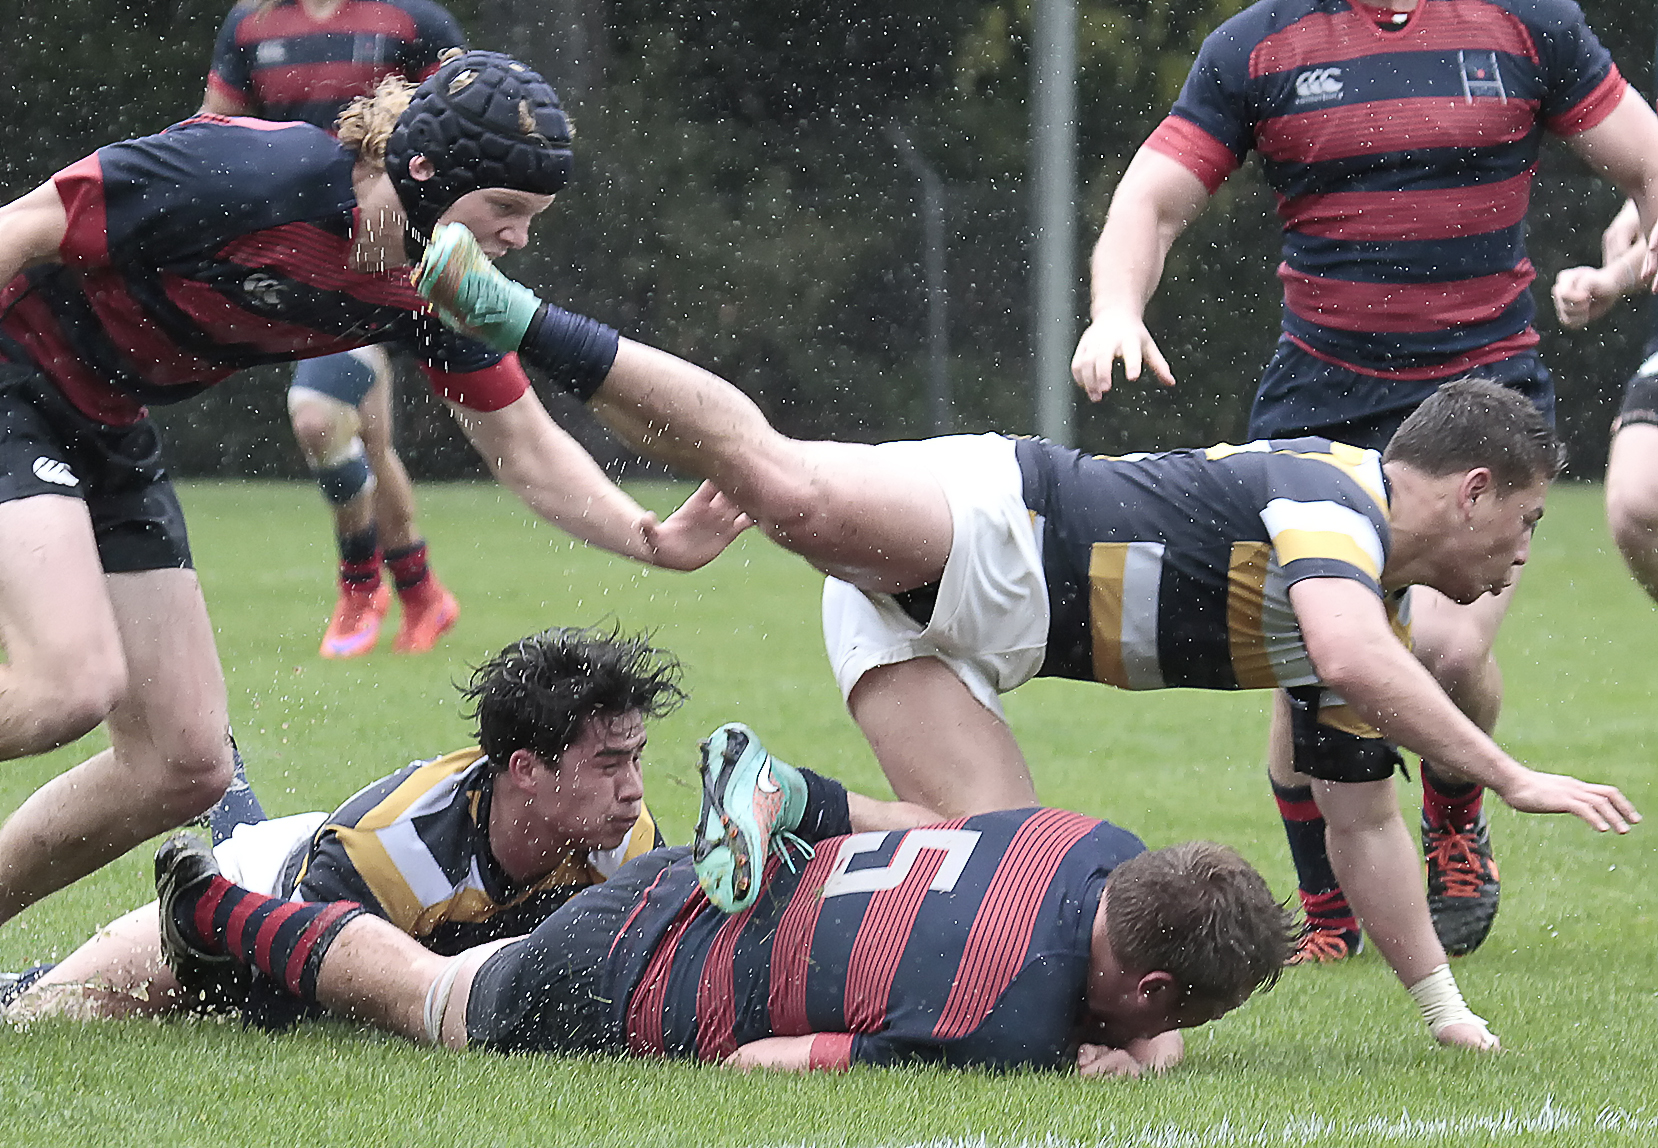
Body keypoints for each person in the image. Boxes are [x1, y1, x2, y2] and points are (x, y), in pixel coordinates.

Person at [410, 230, 1641, 1050]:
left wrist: (1442, 1011)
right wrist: (1508, 772)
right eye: (1526, 520)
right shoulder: (1339, 497)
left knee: (991, 872)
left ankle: (790, 802)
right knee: (783, 489)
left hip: (969, 639)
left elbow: (1363, 823)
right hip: (1002, 520)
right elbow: (1365, 657)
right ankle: (517, 314)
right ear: (1470, 489)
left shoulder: (1356, 617)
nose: (1527, 552)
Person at [0, 50, 746, 945]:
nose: (516, 239)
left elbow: (523, 446)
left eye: (531, 218)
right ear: (425, 170)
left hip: (108, 427)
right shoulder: (253, 172)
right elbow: (26, 224)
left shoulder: (431, 284)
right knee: (65, 687)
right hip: (15, 378)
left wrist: (648, 537)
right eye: (506, 210)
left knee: (186, 766)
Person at [1066, 0, 1658, 965]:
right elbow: (1152, 200)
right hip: (1324, 402)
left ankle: (1455, 812)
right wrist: (1116, 309)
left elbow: (1644, 154)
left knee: (1447, 652)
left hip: (1483, 394)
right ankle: (1329, 909)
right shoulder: (1257, 45)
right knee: (1306, 663)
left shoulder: (1526, 23)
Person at [150, 793, 1295, 1076]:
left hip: (689, 881)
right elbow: (759, 1064)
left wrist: (1133, 1039)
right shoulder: (999, 1021)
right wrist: (1096, 1054)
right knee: (434, 997)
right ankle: (215, 912)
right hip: (621, 982)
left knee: (456, 970)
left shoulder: (1088, 838)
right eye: (1186, 1011)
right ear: (1149, 984)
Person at [1, 625, 679, 1021]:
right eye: (609, 764)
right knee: (56, 1009)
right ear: (526, 769)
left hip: (315, 854)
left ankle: (224, 775)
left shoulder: (625, 838)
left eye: (637, 759)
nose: (633, 790)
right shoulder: (396, 849)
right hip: (254, 896)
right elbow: (283, 986)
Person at [202, 0, 469, 657]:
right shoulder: (250, 23)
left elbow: (470, 123)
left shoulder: (412, 19)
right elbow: (210, 135)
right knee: (369, 445)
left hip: (383, 256)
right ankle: (423, 591)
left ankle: (359, 585)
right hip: (299, 259)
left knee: (319, 416)